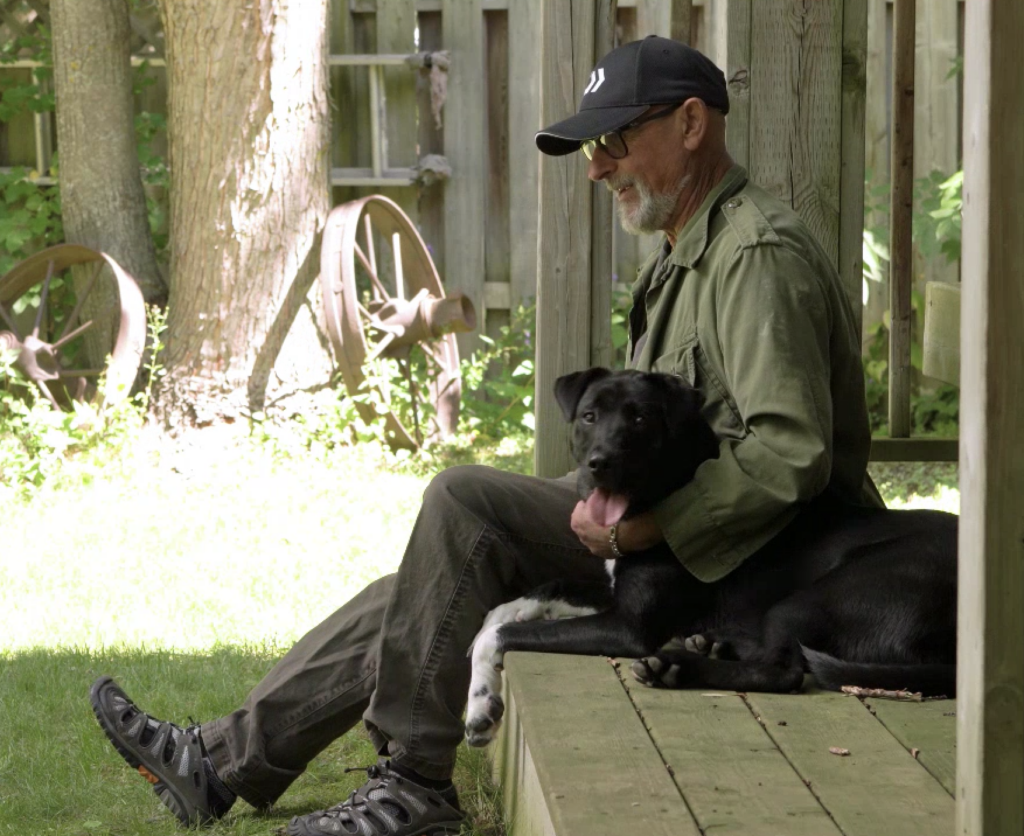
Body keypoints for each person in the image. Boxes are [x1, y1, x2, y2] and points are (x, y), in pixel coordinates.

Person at [90, 35, 882, 836]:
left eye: (615, 140)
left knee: (463, 498)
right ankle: (218, 762)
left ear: (690, 123)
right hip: (682, 543)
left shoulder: (754, 257)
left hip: (759, 561)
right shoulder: (685, 254)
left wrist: (649, 528)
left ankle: (412, 783)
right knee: (433, 574)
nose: (598, 167)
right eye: (593, 148)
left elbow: (790, 453)